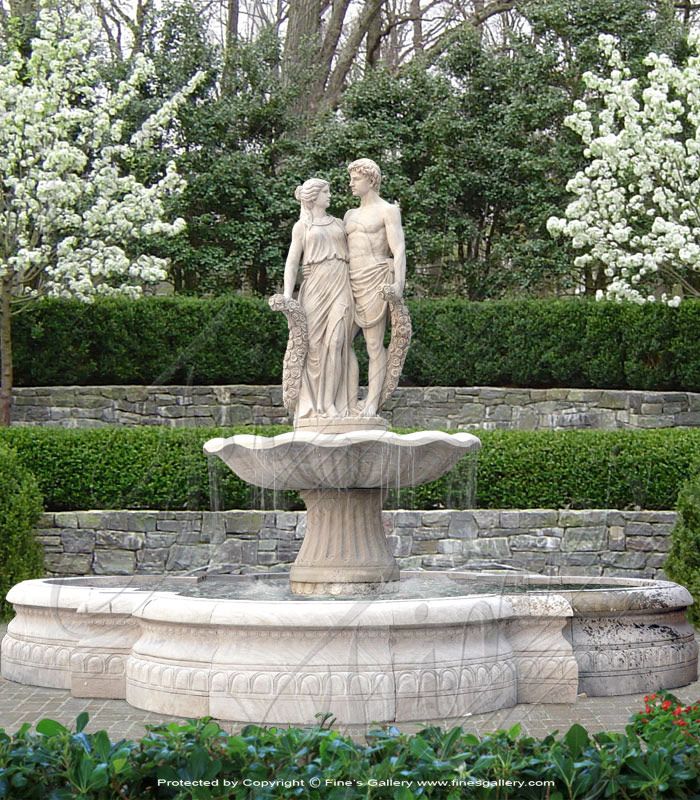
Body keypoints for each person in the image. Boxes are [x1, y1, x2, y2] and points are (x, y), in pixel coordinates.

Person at [282, 178, 354, 419]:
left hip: (341, 285)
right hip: (314, 289)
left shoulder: (339, 223)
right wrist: (286, 296)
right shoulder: (302, 226)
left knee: (336, 343)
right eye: (326, 191)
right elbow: (292, 262)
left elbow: (359, 251)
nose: (330, 195)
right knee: (313, 349)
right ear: (313, 197)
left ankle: (330, 403)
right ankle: (312, 406)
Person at [344, 158, 406, 417]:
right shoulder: (348, 215)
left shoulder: (387, 210)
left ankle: (371, 402)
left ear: (371, 180)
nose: (351, 184)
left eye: (355, 179)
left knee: (372, 345)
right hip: (348, 283)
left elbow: (399, 247)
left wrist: (398, 285)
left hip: (375, 279)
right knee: (339, 343)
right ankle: (346, 402)